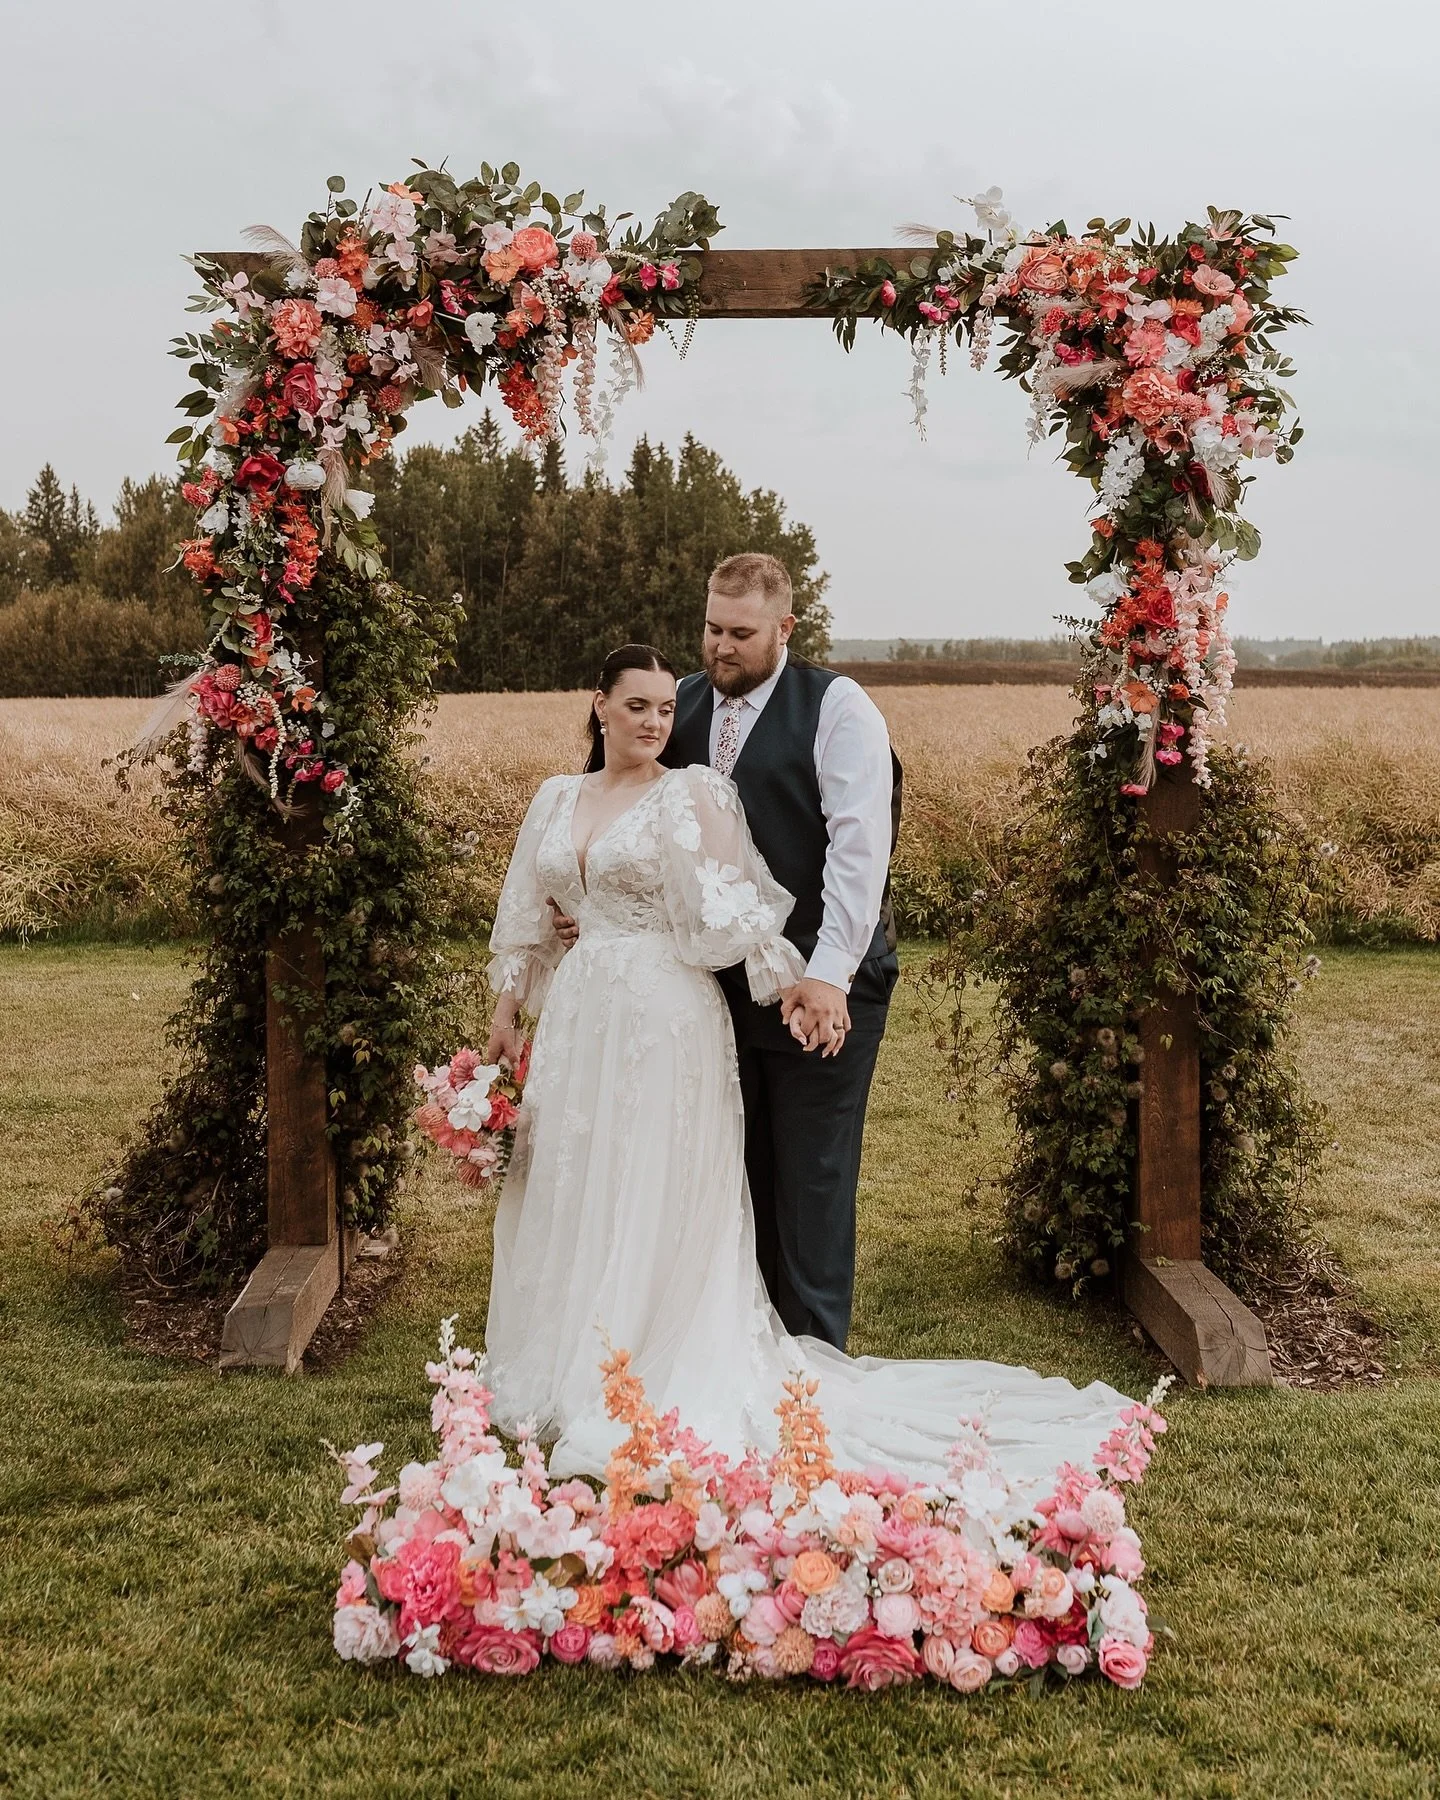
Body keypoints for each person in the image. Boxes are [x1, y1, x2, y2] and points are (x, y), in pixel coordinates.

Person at [482, 641, 1129, 1486]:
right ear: (597, 704)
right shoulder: (555, 798)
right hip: (578, 1019)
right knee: (579, 1178)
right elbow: (526, 911)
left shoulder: (692, 794)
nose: (654, 721)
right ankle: (568, 1354)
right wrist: (507, 1010)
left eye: (663, 709)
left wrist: (804, 984)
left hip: (664, 1017)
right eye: (635, 705)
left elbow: (735, 907)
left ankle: (651, 1359)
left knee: (655, 1184)